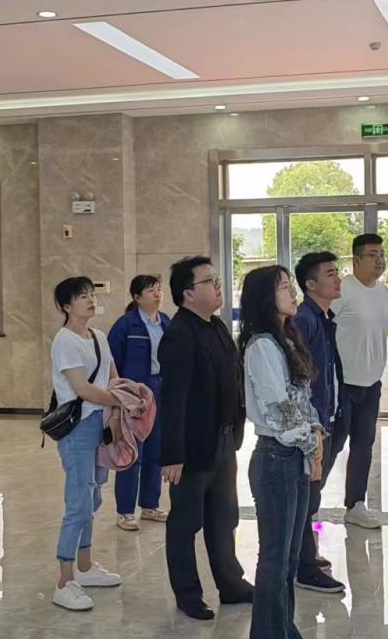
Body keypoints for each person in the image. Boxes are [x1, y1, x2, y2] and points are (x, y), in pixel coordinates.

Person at [238, 265, 325, 639]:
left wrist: (314, 437)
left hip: (292, 455)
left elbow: (302, 401)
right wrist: (311, 441)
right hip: (276, 458)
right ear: (264, 298)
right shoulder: (261, 347)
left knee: (288, 558)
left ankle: (286, 637)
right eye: (285, 288)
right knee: (274, 560)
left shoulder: (284, 338)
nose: (293, 294)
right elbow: (278, 410)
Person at [158, 256, 254, 620]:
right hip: (193, 449)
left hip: (224, 441)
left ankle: (231, 584)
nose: (218, 286)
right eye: (209, 281)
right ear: (188, 293)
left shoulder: (216, 326)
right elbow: (174, 399)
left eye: (217, 280)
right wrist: (173, 454)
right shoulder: (180, 334)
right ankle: (188, 594)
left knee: (223, 518)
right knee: (186, 523)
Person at [49, 276, 126, 612]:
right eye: (82, 296)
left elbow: (113, 377)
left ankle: (85, 566)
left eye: (92, 294)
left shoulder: (98, 336)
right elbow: (83, 389)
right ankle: (64, 581)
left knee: (93, 497)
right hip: (78, 428)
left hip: (100, 424)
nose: (90, 300)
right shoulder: (64, 341)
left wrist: (114, 411)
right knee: (78, 503)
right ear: (67, 306)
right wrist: (120, 401)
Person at [290, 251, 347, 594]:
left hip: (326, 418)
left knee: (312, 492)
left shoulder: (323, 316)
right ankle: (304, 566)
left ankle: (305, 554)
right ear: (310, 284)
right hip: (313, 424)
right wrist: (312, 428)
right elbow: (300, 380)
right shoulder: (305, 320)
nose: (338, 279)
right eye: (330, 274)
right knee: (307, 494)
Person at [331, 233, 388, 529]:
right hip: (343, 384)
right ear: (355, 260)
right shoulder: (342, 291)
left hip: (371, 384)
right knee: (332, 445)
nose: (379, 260)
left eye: (381, 254)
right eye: (372, 255)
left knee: (363, 445)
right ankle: (308, 503)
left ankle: (355, 505)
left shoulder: (386, 294)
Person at [107, 274, 170, 531]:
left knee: (156, 450)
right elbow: (112, 364)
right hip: (134, 395)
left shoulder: (165, 322)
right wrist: (118, 397)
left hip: (160, 389)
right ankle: (124, 511)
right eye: (151, 290)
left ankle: (150, 505)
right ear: (137, 297)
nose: (157, 294)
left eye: (158, 289)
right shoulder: (126, 325)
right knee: (132, 452)